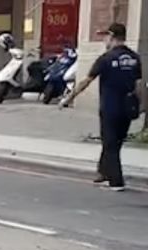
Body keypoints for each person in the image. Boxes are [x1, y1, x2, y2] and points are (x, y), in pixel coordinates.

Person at [62, 23, 145, 191]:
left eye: (106, 37)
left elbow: (86, 81)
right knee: (115, 142)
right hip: (128, 108)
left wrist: (69, 98)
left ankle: (116, 182)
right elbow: (139, 85)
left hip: (110, 107)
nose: (104, 40)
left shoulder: (106, 59)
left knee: (110, 143)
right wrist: (142, 105)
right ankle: (103, 172)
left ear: (112, 37)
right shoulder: (135, 58)